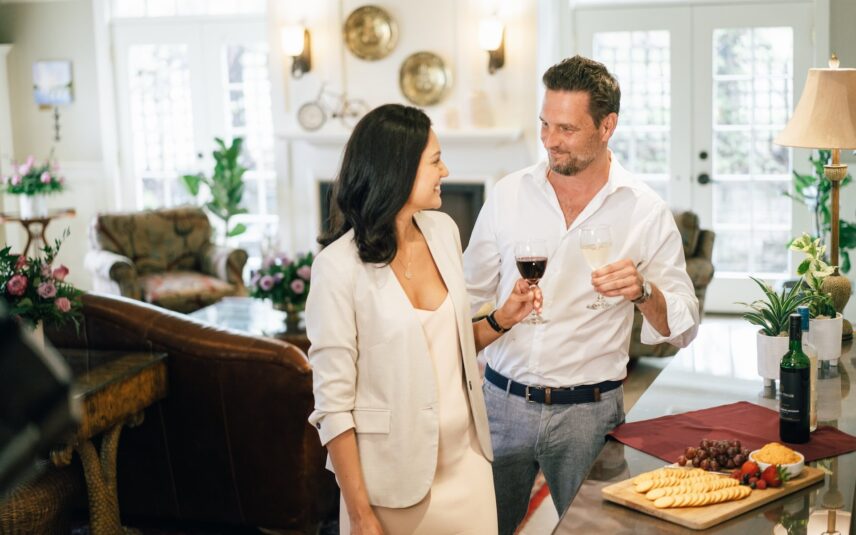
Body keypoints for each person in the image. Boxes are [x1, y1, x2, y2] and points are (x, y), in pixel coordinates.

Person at [463, 55, 700, 534]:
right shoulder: (508, 196)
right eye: (545, 124)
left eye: (567, 129)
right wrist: (498, 317)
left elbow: (684, 327)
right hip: (501, 405)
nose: (551, 140)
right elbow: (465, 302)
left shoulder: (645, 211)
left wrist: (643, 291)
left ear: (607, 125)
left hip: (591, 415)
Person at [305, 103, 541, 535]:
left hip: (468, 465)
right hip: (392, 483)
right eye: (434, 161)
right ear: (398, 170)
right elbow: (333, 406)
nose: (446, 170)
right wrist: (359, 514)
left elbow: (445, 344)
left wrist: (501, 319)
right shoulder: (336, 269)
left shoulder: (444, 231)